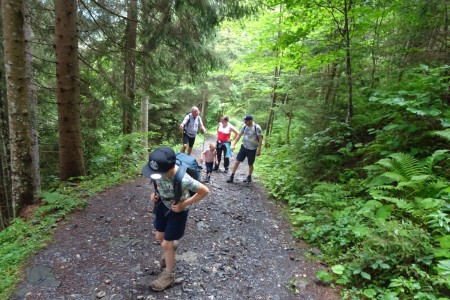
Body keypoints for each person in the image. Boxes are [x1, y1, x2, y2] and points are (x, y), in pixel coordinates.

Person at [141, 146, 209, 291]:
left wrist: (184, 204)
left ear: (169, 169)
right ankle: (171, 246)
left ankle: (168, 275)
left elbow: (204, 191)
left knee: (166, 245)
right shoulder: (159, 173)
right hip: (162, 205)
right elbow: (158, 183)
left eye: (158, 174)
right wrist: (154, 195)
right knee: (159, 236)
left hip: (178, 211)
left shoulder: (183, 178)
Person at [227, 115, 263, 184]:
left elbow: (260, 138)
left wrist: (259, 150)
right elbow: (239, 135)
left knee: (250, 164)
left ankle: (249, 177)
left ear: (250, 120)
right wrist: (233, 144)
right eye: (244, 121)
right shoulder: (244, 126)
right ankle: (231, 176)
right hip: (244, 147)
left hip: (252, 149)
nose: (245, 122)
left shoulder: (257, 127)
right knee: (237, 161)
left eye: (246, 121)